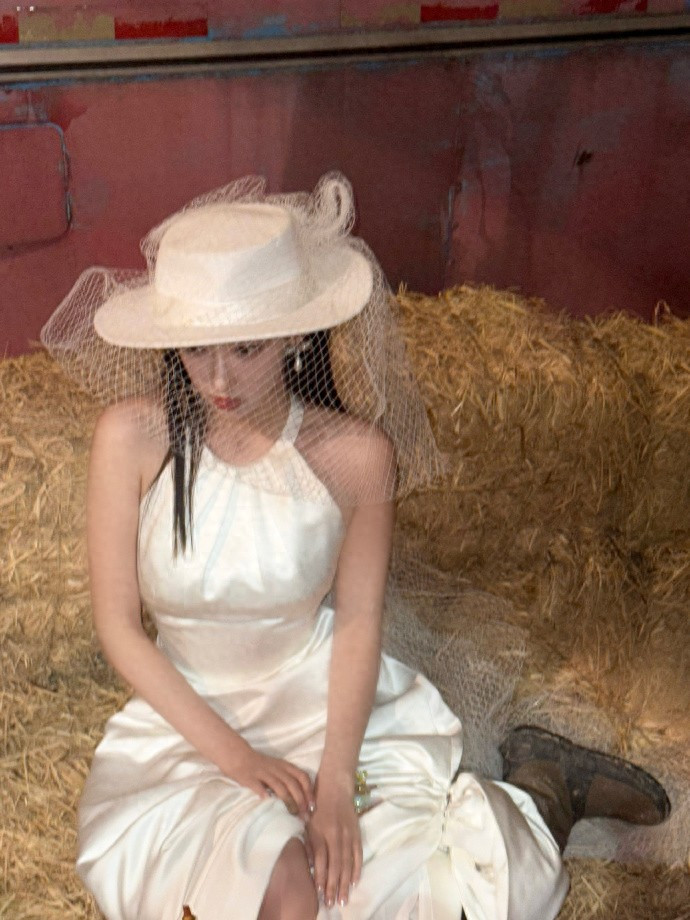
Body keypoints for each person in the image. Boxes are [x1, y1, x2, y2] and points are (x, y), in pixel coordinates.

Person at [41, 173, 669, 920]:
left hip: (325, 711)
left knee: (418, 896)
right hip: (186, 721)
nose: (218, 378)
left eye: (246, 348)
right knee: (278, 893)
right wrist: (236, 758)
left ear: (298, 334)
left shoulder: (358, 456)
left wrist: (336, 782)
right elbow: (119, 628)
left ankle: (544, 792)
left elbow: (361, 619)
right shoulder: (131, 437)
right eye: (195, 348)